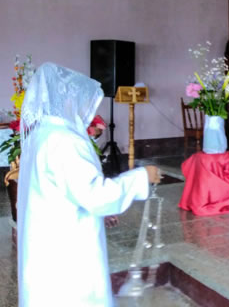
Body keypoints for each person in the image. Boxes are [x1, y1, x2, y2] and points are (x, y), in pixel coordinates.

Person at [16, 62, 161, 306]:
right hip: (68, 249)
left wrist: (98, 211)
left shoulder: (41, 134)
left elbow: (70, 190)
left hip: (45, 239)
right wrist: (141, 177)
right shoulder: (65, 140)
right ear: (67, 99)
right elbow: (95, 196)